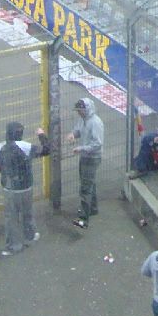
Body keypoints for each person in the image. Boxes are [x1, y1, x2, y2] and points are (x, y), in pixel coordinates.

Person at [0, 121, 51, 255]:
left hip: (9, 189)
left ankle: (14, 246)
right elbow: (46, 150)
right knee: (28, 213)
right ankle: (30, 236)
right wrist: (42, 135)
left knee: (11, 218)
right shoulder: (26, 146)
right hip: (26, 187)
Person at [69, 97, 104, 228]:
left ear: (86, 110)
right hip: (85, 156)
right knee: (90, 183)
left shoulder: (95, 123)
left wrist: (81, 148)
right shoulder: (83, 119)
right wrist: (73, 134)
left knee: (85, 188)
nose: (78, 113)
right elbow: (78, 130)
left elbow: (97, 144)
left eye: (80, 110)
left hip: (92, 158)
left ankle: (83, 218)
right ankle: (92, 208)